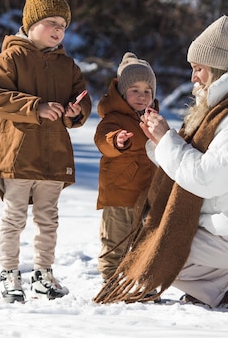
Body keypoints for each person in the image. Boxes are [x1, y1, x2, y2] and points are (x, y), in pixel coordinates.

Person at [94, 15, 228, 309]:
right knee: (157, 240)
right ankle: (226, 285)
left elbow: (208, 178)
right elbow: (192, 162)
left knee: (157, 249)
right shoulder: (225, 109)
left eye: (198, 69)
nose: (193, 78)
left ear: (216, 69)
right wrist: (161, 141)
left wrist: (168, 140)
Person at [0, 0, 92, 303]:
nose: (58, 30)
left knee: (49, 219)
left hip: (53, 156)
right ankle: (9, 273)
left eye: (63, 25)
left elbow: (83, 99)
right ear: (31, 23)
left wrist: (75, 110)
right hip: (19, 157)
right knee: (14, 217)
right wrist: (37, 107)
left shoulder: (67, 65)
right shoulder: (10, 59)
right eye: (51, 23)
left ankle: (43, 274)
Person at [94, 52, 158, 282]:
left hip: (147, 195)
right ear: (122, 93)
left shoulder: (153, 119)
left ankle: (142, 281)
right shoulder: (114, 118)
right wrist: (117, 140)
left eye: (147, 91)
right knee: (116, 242)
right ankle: (111, 281)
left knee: (146, 243)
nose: (141, 96)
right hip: (119, 194)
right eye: (135, 91)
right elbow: (102, 140)